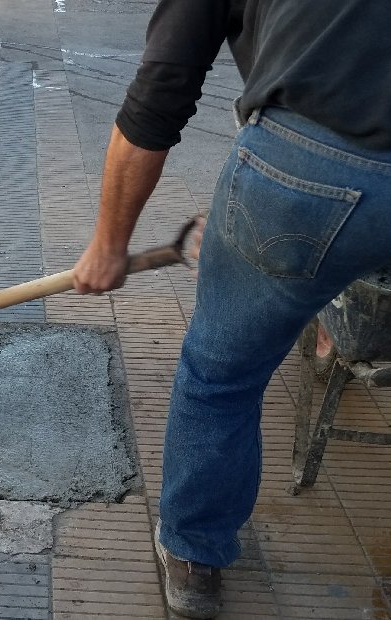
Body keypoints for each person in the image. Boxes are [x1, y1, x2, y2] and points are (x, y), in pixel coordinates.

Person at [72, 2, 391, 618]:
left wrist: (109, 244)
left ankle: (195, 556)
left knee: (222, 375)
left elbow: (161, 92)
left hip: (311, 166)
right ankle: (324, 319)